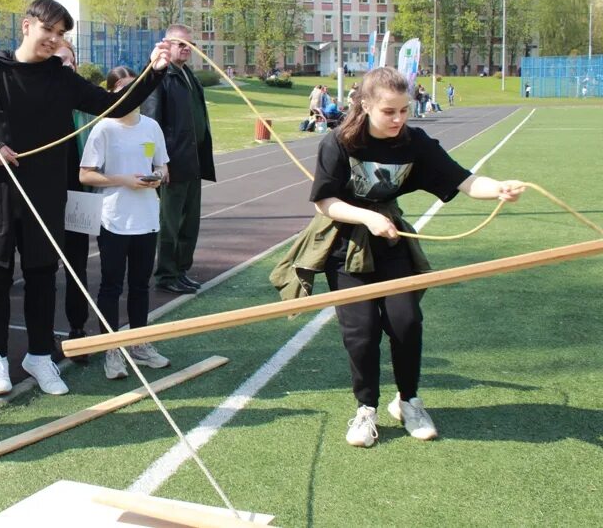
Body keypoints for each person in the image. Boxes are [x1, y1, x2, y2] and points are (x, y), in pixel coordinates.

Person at [270, 66, 525, 448]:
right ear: (366, 105)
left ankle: (408, 402)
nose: (398, 119)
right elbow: (325, 201)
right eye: (389, 111)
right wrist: (367, 216)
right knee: (361, 333)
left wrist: (498, 188)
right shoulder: (338, 143)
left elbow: (465, 180)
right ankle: (365, 409)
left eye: (404, 110)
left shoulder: (415, 143)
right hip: (344, 246)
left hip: (390, 245)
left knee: (406, 322)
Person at [0, 0, 168, 397]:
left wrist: (154, 70)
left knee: (42, 275)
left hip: (45, 192)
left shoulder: (60, 77)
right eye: (48, 30)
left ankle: (39, 355)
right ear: (27, 26)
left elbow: (114, 104)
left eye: (61, 34)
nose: (53, 39)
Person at [80, 66, 171, 380]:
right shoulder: (103, 128)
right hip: (115, 219)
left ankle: (139, 344)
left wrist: (157, 177)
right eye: (123, 89)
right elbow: (86, 173)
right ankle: (112, 350)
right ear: (112, 92)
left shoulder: (152, 127)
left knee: (140, 286)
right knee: (111, 285)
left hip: (147, 219)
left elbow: (163, 167)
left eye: (136, 87)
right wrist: (123, 181)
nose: (131, 94)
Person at [142, 23, 216, 295]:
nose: (187, 49)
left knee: (190, 222)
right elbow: (150, 123)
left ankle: (181, 270)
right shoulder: (160, 77)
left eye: (190, 45)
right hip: (172, 163)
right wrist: (158, 163)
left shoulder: (188, 76)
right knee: (170, 222)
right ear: (167, 45)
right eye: (181, 44)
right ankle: (166, 273)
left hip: (193, 161)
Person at [55, 38, 92, 359]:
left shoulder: (88, 107)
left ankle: (78, 330)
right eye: (57, 60)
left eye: (68, 61)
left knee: (77, 266)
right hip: (43, 196)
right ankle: (41, 343)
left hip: (79, 195)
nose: (64, 65)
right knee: (40, 269)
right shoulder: (38, 104)